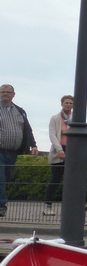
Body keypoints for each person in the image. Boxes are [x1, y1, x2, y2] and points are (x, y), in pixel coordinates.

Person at [0, 84, 39, 217]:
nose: (5, 94)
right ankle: (1, 207)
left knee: (7, 178)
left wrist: (33, 145)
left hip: (13, 153)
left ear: (13, 94)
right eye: (3, 92)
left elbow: (27, 130)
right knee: (1, 179)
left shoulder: (20, 111)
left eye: (8, 92)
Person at [43, 95, 75, 216]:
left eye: (71, 103)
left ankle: (75, 204)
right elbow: (52, 135)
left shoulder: (75, 118)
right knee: (56, 179)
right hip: (59, 150)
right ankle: (47, 205)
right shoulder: (55, 118)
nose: (68, 105)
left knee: (73, 179)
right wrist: (59, 150)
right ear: (62, 104)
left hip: (72, 151)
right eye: (66, 103)